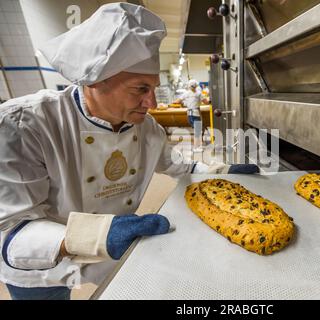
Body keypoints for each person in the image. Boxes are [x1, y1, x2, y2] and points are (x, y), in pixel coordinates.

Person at [0, 3, 258, 300]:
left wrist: (221, 172)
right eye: (140, 89)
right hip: (38, 268)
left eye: (153, 89)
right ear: (96, 80)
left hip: (110, 249)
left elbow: (180, 167)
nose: (153, 103)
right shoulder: (23, 126)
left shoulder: (146, 129)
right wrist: (96, 235)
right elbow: (11, 233)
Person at [173, 79, 209, 151]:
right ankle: (196, 147)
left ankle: (197, 146)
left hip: (189, 115)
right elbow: (206, 102)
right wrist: (209, 100)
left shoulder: (186, 93)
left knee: (196, 131)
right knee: (198, 131)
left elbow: (176, 101)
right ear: (196, 86)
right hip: (196, 114)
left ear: (189, 86)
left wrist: (183, 103)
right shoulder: (199, 93)